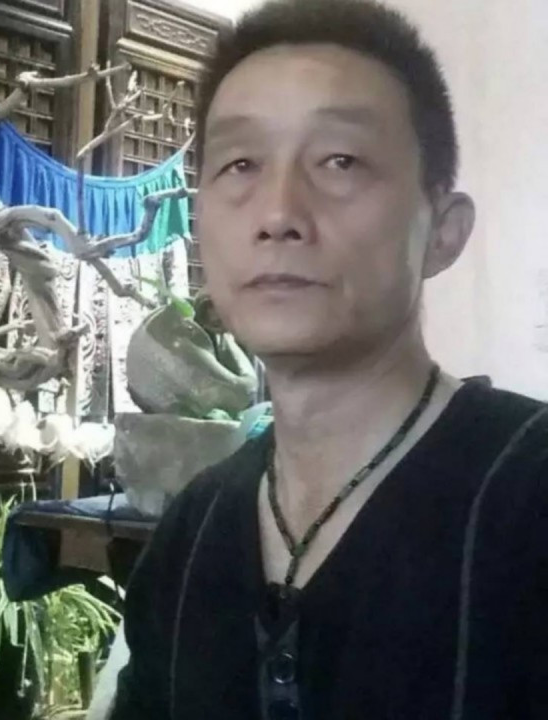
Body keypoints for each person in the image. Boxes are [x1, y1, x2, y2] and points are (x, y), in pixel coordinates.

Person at [110, 1, 548, 718]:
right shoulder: (192, 530)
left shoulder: (528, 496)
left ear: (443, 231)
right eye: (241, 163)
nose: (278, 213)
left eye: (340, 161)